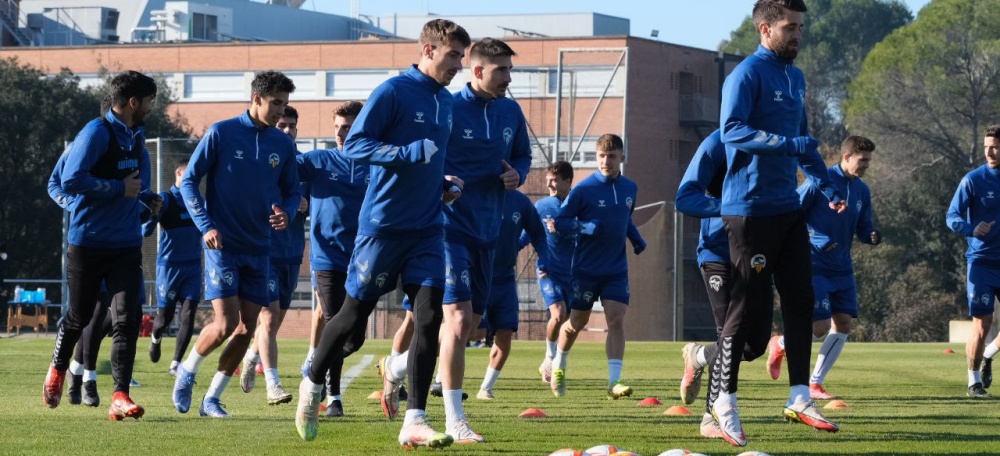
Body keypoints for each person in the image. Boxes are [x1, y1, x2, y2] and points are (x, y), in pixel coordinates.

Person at [294, 19, 470, 450]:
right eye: (453, 56)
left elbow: (433, 159)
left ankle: (414, 419)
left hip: (428, 227)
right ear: (428, 50)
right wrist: (406, 154)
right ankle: (312, 383)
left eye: (463, 58)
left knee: (430, 318)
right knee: (352, 317)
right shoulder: (393, 92)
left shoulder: (446, 102)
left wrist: (444, 185)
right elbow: (356, 144)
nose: (459, 66)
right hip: (383, 228)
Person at [377, 36, 531, 444]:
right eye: (502, 70)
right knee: (458, 322)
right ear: (478, 71)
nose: (508, 78)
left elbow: (522, 157)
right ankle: (454, 420)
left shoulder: (511, 112)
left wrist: (518, 174)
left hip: (488, 231)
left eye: (510, 70)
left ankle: (395, 369)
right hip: (447, 229)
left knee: (468, 331)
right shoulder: (449, 106)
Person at [714, 0, 845, 445]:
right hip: (749, 209)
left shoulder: (796, 77)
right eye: (790, 27)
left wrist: (826, 186)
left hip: (788, 206)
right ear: (766, 29)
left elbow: (804, 143)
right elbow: (731, 129)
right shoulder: (746, 74)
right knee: (747, 308)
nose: (798, 35)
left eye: (802, 27)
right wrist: (784, 143)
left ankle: (798, 396)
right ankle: (724, 401)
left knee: (801, 300)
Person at [172, 71, 300, 418]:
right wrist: (206, 226)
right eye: (275, 103)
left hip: (261, 247)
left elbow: (293, 191)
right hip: (223, 245)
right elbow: (189, 183)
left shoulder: (282, 145)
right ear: (256, 98)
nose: (280, 111)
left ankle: (211, 398)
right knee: (226, 324)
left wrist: (287, 213)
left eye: (285, 105)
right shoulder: (221, 133)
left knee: (247, 329)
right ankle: (187, 371)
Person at [43, 70, 160, 422]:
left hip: (126, 243)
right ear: (133, 102)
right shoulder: (95, 133)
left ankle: (120, 395)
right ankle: (58, 368)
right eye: (150, 101)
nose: (152, 108)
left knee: (127, 317)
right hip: (88, 243)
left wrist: (151, 201)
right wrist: (115, 189)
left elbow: (137, 189)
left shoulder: (138, 138)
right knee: (79, 316)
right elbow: (69, 179)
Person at [674, 130, 773, 439]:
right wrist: (727, 207)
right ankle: (710, 418)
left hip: (756, 253)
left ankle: (700, 356)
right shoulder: (715, 144)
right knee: (729, 332)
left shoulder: (773, 144)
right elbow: (686, 196)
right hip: (717, 252)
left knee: (754, 345)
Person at [766, 136, 880, 400]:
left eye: (869, 161)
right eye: (863, 160)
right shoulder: (820, 182)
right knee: (818, 328)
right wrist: (818, 240)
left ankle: (815, 383)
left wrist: (871, 235)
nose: (866, 166)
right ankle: (780, 343)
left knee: (843, 324)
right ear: (847, 157)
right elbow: (791, 214)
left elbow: (864, 226)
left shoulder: (862, 190)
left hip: (842, 267)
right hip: (814, 264)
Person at [549, 133, 646, 400]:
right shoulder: (583, 190)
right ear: (596, 157)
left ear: (622, 158)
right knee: (575, 323)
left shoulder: (630, 188)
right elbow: (561, 221)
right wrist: (584, 226)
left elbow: (624, 219)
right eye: (601, 156)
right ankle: (559, 362)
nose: (606, 161)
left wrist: (636, 239)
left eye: (612, 156)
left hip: (615, 269)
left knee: (616, 320)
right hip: (586, 270)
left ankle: (614, 382)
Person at [294, 100, 369, 417]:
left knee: (356, 337)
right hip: (325, 257)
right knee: (334, 321)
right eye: (337, 126)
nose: (340, 133)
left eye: (348, 127)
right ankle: (333, 397)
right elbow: (280, 173)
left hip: (365, 258)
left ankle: (317, 360)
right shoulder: (317, 161)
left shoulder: (375, 166)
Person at [239, 104, 309, 406]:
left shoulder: (304, 164)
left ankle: (252, 354)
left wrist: (305, 206)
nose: (287, 131)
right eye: (282, 125)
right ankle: (273, 384)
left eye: (292, 126)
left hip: (292, 253)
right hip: (264, 251)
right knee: (267, 320)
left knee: (276, 319)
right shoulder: (259, 162)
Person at [475, 188, 548, 400]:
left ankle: (486, 388)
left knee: (505, 332)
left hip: (505, 279)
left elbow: (538, 233)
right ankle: (440, 378)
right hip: (475, 275)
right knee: (471, 333)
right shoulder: (475, 194)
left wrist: (544, 258)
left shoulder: (521, 202)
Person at [947, 124, 1000, 399]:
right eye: (986, 147)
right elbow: (952, 216)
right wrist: (971, 229)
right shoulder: (974, 179)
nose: (989, 152)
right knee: (983, 323)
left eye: (995, 147)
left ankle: (989, 355)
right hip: (981, 262)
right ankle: (974, 382)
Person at [143, 160, 203, 377]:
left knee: (188, 314)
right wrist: (152, 216)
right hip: (169, 267)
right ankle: (155, 337)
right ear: (178, 173)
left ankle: (176, 363)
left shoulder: (197, 201)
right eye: (189, 174)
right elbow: (146, 231)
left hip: (193, 267)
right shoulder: (165, 199)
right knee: (164, 319)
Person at [535, 161, 576, 383]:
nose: (550, 184)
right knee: (558, 313)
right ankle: (550, 356)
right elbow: (528, 234)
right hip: (548, 272)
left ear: (568, 181)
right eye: (548, 179)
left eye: (555, 180)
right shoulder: (541, 206)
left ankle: (556, 361)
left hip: (573, 274)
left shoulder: (577, 205)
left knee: (569, 321)